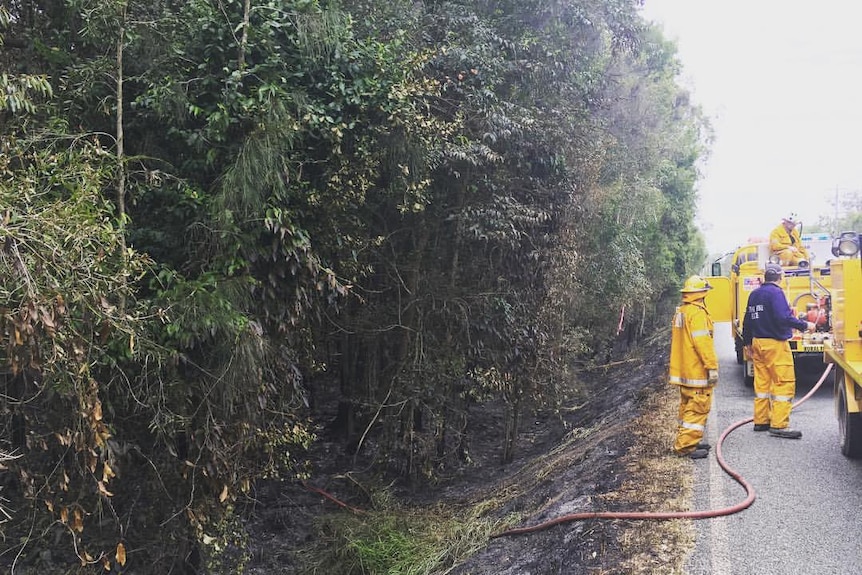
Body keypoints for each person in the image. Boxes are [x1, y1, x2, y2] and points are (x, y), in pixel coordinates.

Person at [742, 263, 816, 438]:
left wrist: (747, 343)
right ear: (780, 278)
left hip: (757, 343)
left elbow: (747, 320)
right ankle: (779, 425)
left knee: (762, 384)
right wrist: (805, 325)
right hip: (775, 344)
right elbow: (783, 317)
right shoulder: (776, 293)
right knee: (783, 382)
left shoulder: (754, 294)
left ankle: (761, 421)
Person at [668, 275, 719, 459]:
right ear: (702, 293)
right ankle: (685, 447)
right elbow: (703, 344)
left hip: (683, 370)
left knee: (687, 406)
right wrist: (711, 367)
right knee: (698, 408)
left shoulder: (682, 311)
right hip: (697, 372)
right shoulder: (697, 314)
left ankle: (687, 439)